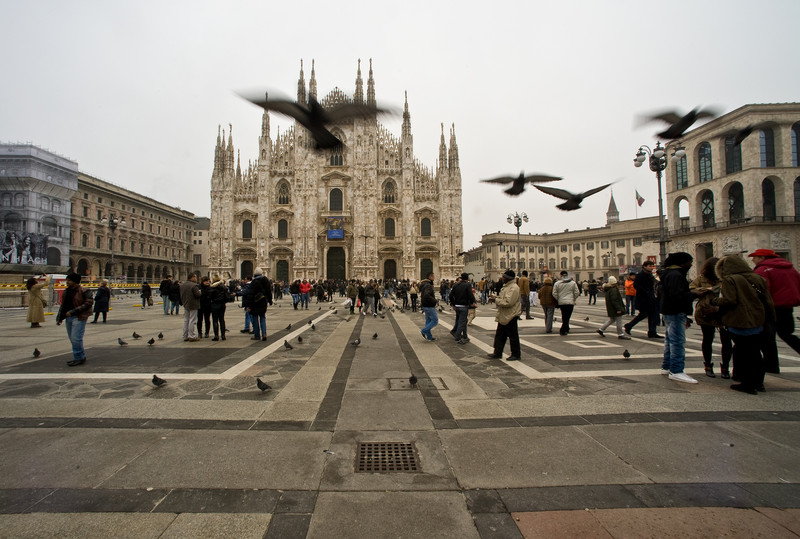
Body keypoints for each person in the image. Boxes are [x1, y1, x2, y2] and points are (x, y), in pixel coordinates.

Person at [711, 255, 775, 394]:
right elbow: (768, 300)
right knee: (755, 352)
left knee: (743, 352)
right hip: (757, 319)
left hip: (739, 320)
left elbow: (730, 300)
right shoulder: (758, 278)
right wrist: (770, 318)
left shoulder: (730, 280)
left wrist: (714, 301)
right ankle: (759, 383)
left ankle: (747, 384)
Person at [748, 248, 800, 374]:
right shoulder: (790, 268)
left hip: (770, 308)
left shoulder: (763, 269)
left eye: (755, 257)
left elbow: (764, 290)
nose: (753, 260)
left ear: (762, 258)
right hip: (787, 306)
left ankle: (772, 366)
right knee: (787, 334)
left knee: (767, 337)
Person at [659, 252, 701, 384]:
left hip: (669, 311)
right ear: (682, 262)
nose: (691, 264)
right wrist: (695, 294)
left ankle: (667, 367)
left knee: (670, 341)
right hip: (676, 311)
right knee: (677, 342)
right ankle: (676, 371)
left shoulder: (668, 274)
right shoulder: (676, 275)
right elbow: (678, 296)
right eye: (689, 262)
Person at [690, 257, 732, 378]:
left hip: (723, 312)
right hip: (706, 312)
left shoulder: (726, 279)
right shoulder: (702, 278)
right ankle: (708, 365)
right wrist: (706, 290)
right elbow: (692, 289)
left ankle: (725, 367)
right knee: (708, 339)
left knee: (726, 341)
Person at [56, 272, 94, 366]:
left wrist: (73, 312)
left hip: (79, 317)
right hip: (69, 317)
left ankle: (79, 358)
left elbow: (88, 304)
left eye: (69, 280)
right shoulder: (66, 291)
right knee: (72, 338)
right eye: (67, 280)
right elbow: (63, 305)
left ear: (75, 281)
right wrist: (59, 317)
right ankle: (80, 356)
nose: (67, 282)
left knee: (76, 338)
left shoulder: (85, 291)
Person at [487, 269, 522, 360]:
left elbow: (508, 302)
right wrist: (495, 297)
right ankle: (497, 352)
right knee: (500, 335)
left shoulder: (514, 288)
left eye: (504, 277)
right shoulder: (506, 287)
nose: (502, 278)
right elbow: (503, 298)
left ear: (508, 278)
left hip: (511, 315)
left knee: (513, 336)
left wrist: (495, 300)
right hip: (504, 314)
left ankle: (516, 354)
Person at [624, 260, 661, 338]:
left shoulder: (650, 275)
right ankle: (629, 325)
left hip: (651, 298)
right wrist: (646, 292)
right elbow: (636, 285)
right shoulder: (641, 275)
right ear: (645, 266)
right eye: (650, 266)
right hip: (643, 299)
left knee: (652, 314)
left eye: (652, 266)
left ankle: (652, 332)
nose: (651, 267)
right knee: (644, 314)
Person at [450, 273, 476, 344]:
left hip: (457, 306)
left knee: (463, 320)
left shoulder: (455, 285)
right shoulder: (467, 285)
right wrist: (473, 302)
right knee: (462, 322)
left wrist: (453, 304)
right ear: (467, 278)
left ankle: (465, 336)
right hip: (464, 306)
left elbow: (450, 295)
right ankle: (457, 337)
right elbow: (470, 294)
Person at [552, 270, 580, 335]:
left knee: (564, 315)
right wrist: (573, 299)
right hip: (570, 302)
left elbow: (554, 293)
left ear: (561, 275)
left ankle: (566, 328)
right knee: (568, 316)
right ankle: (563, 329)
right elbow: (577, 292)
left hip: (562, 302)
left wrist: (558, 299)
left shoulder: (557, 283)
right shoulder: (573, 283)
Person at [179, 273, 202, 342]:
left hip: (185, 304)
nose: (196, 279)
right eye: (195, 277)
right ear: (192, 277)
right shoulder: (194, 285)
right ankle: (191, 336)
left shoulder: (182, 285)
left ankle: (185, 336)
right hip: (193, 304)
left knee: (186, 320)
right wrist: (200, 292)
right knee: (192, 320)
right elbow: (198, 295)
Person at [208, 274, 229, 341]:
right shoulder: (224, 287)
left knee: (215, 320)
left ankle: (216, 336)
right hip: (222, 305)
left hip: (215, 304)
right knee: (222, 320)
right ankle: (223, 335)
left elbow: (209, 297)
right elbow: (227, 296)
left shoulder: (212, 287)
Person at [419, 272, 439, 340]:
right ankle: (423, 331)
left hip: (425, 305)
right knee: (435, 320)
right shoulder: (428, 285)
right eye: (433, 276)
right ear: (430, 277)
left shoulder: (424, 284)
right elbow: (426, 295)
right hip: (429, 305)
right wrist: (434, 300)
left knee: (428, 321)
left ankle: (429, 337)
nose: (434, 278)